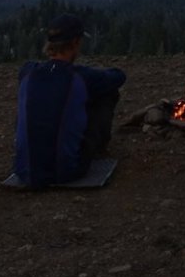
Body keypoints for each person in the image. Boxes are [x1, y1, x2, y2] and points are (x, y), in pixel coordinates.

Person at [12, 13, 126, 189]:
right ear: (75, 43)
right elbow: (119, 77)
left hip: (25, 171)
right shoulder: (81, 77)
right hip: (66, 172)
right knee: (106, 93)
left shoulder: (27, 72)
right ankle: (97, 148)